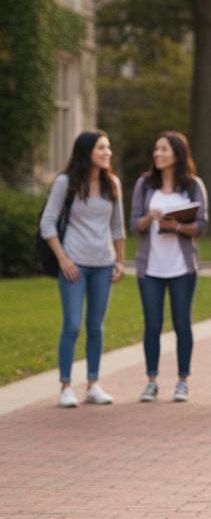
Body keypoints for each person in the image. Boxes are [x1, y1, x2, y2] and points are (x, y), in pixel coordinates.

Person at [39, 130, 126, 407]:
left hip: (103, 264)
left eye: (109, 148)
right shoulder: (66, 182)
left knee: (96, 327)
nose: (107, 153)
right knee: (73, 325)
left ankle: (93, 384)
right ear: (86, 151)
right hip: (74, 265)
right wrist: (63, 259)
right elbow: (47, 223)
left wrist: (120, 261)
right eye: (102, 148)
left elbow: (117, 227)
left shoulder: (112, 183)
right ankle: (65, 386)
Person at [130, 132, 209, 403]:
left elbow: (201, 225)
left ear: (177, 153)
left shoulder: (193, 186)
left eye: (163, 149)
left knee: (182, 323)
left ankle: (182, 381)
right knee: (152, 325)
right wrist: (149, 218)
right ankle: (151, 381)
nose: (157, 154)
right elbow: (134, 225)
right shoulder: (144, 184)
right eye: (155, 149)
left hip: (182, 268)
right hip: (150, 268)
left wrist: (175, 226)